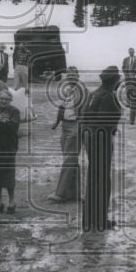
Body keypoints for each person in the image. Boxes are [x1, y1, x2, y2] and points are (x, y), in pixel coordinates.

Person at [81, 65, 123, 232]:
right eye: (118, 79)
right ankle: (99, 220)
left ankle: (89, 219)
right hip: (101, 140)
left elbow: (84, 116)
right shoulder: (108, 96)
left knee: (93, 178)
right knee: (102, 180)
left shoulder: (94, 93)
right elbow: (104, 121)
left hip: (91, 139)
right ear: (114, 81)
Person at [48, 67, 83, 203]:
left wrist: (79, 127)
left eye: (73, 75)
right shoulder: (69, 90)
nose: (70, 77)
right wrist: (57, 122)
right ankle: (74, 192)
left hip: (75, 126)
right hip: (65, 125)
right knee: (71, 161)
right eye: (68, 75)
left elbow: (84, 112)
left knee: (69, 160)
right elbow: (63, 107)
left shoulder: (81, 91)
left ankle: (61, 194)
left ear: (78, 75)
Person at [0, 89, 21, 214]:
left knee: (8, 176)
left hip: (8, 148)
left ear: (10, 100)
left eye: (7, 99)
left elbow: (13, 127)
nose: (4, 101)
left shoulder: (15, 111)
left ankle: (12, 202)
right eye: (2, 99)